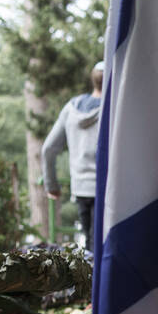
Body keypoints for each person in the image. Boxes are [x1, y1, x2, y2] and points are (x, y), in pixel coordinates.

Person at [42, 61, 103, 251]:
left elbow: (48, 149)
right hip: (106, 188)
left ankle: (90, 279)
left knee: (90, 242)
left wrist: (52, 186)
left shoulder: (70, 108)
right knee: (102, 244)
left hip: (80, 188)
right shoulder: (112, 108)